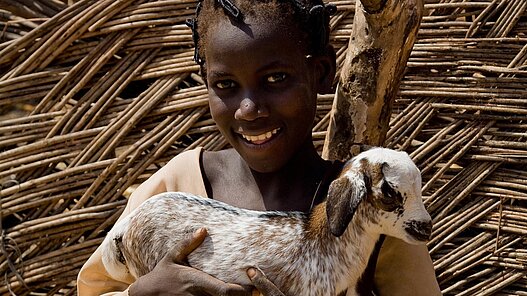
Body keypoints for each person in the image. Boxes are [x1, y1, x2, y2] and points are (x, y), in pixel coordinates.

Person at [77, 0, 441, 295]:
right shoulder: (177, 185)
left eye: (275, 79)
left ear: (322, 72)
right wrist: (142, 293)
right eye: (225, 85)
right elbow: (96, 287)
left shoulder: (375, 209)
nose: (249, 109)